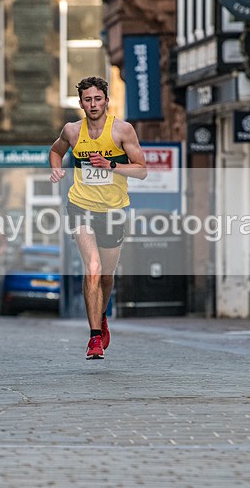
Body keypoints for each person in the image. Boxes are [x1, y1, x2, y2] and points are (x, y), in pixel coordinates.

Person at [49, 76, 147, 359]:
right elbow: (55, 151)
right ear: (81, 103)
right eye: (87, 100)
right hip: (80, 206)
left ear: (107, 100)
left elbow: (141, 169)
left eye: (98, 99)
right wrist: (56, 169)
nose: (93, 105)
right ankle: (94, 338)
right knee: (92, 266)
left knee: (105, 273)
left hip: (113, 209)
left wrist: (112, 165)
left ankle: (101, 316)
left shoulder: (121, 130)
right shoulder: (72, 130)